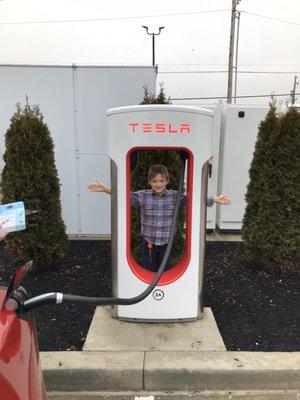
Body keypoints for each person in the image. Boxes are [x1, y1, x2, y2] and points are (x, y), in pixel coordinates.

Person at [88, 164, 230, 272]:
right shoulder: (143, 195)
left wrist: (215, 199)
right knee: (148, 271)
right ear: (150, 181)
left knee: (164, 271)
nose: (158, 184)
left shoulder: (175, 196)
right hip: (148, 242)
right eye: (155, 181)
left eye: (161, 180)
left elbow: (194, 199)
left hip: (166, 243)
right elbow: (124, 195)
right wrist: (106, 189)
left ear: (167, 181)